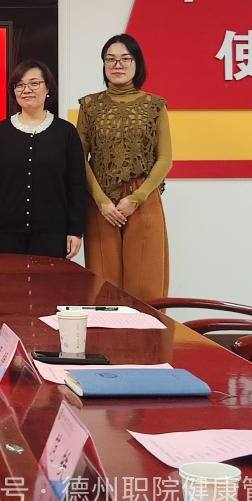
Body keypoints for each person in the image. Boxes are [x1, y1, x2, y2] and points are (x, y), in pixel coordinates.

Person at [76, 33, 172, 301]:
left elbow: (165, 159)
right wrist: (101, 201)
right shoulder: (89, 105)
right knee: (104, 286)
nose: (117, 65)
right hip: (101, 204)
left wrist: (137, 197)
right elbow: (79, 158)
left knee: (145, 285)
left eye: (125, 59)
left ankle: (147, 331)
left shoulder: (154, 105)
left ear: (136, 63)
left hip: (142, 201)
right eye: (110, 59)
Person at [0, 60, 85, 258]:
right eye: (19, 85)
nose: (26, 90)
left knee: (49, 279)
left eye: (34, 83)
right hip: (6, 233)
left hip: (53, 234)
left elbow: (76, 184)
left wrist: (75, 230)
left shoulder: (66, 132)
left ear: (48, 88)